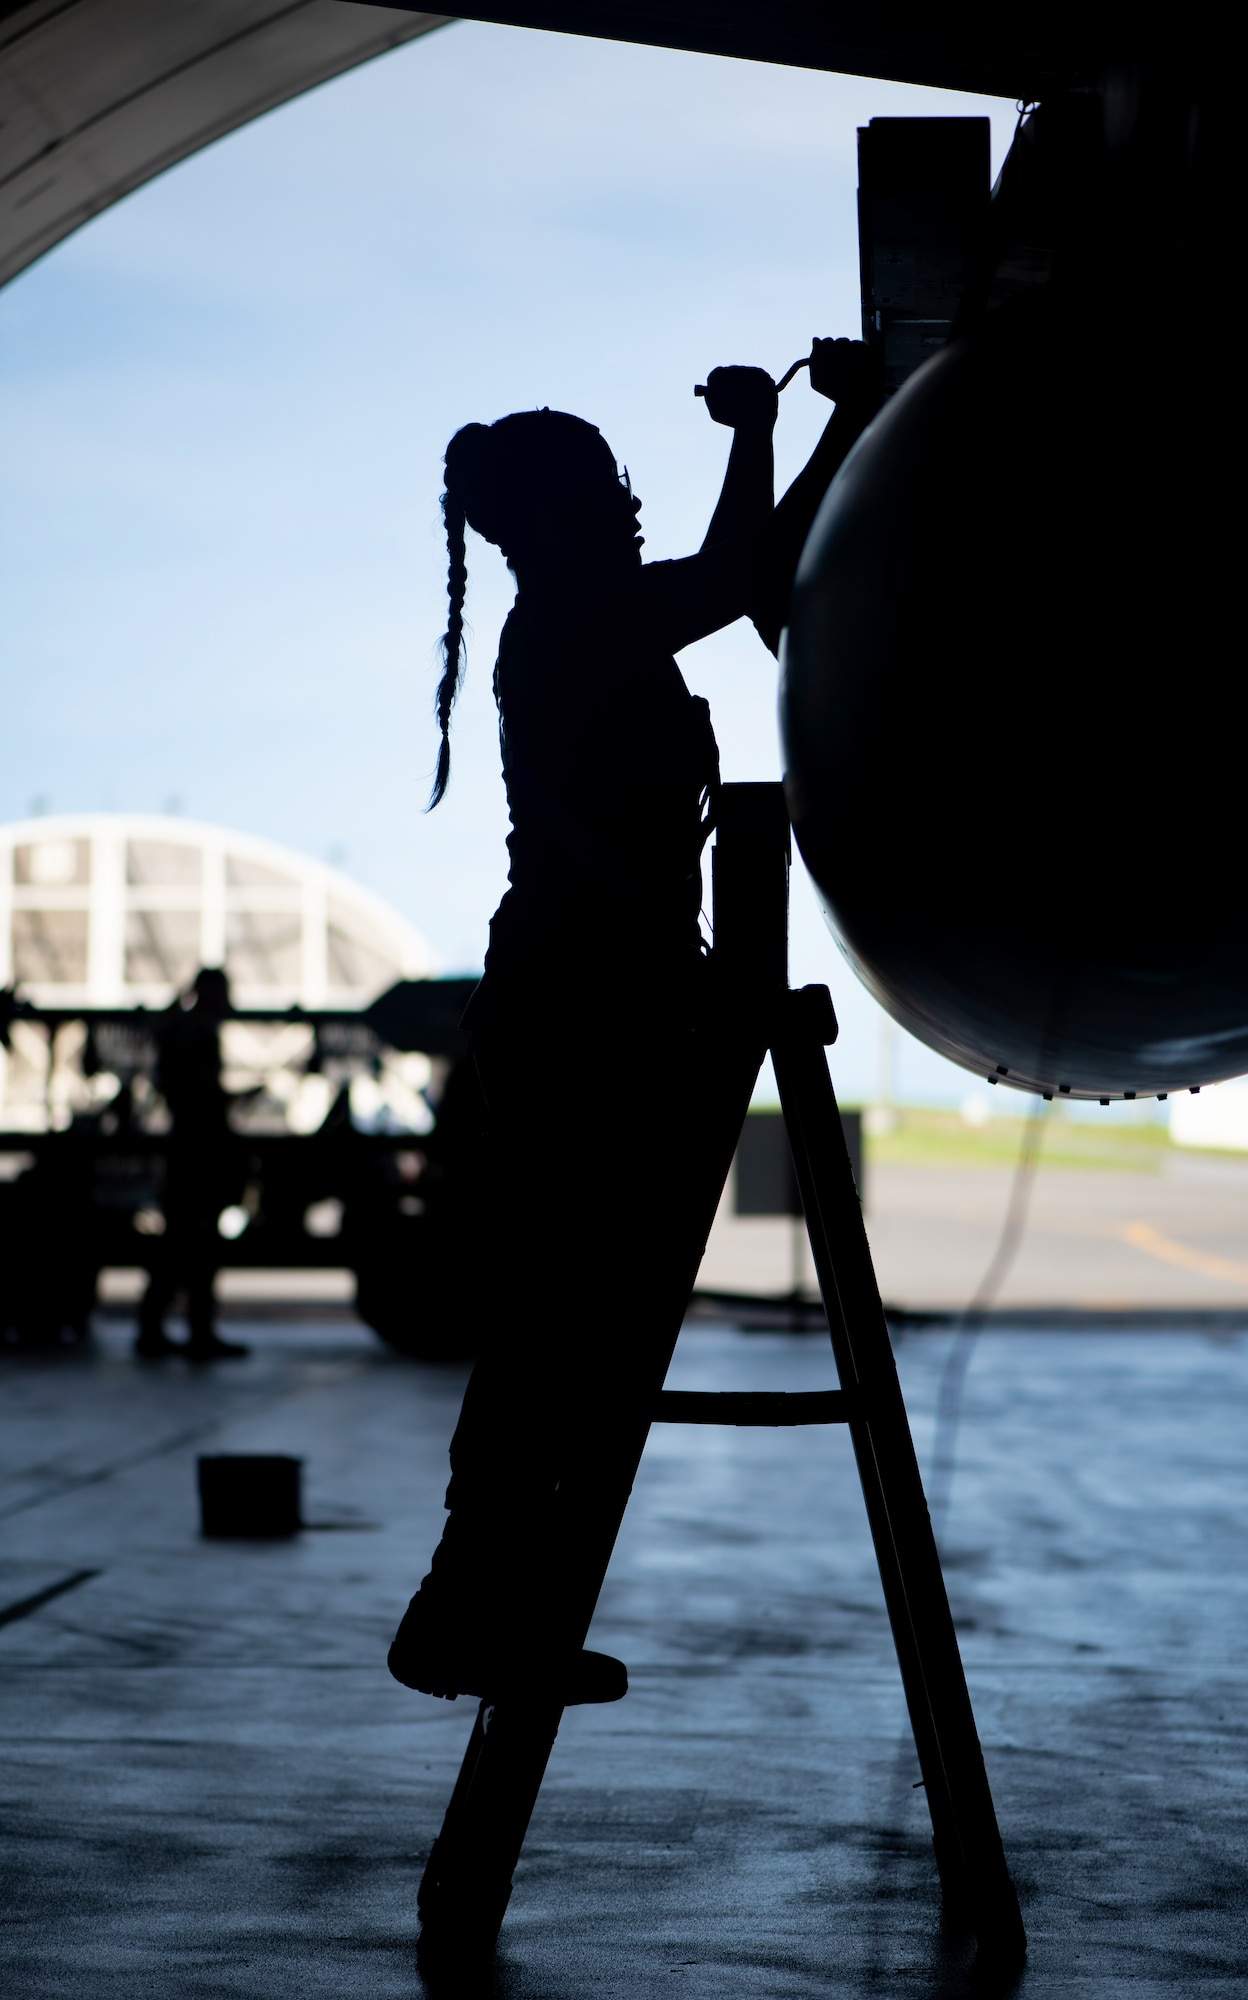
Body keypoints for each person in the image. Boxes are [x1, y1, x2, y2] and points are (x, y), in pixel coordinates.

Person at [388, 340, 881, 1706]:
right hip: (588, 998)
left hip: (587, 990)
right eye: (600, 481)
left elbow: (750, 569)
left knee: (572, 1311)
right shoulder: (579, 621)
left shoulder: (580, 618)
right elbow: (738, 579)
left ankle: (486, 1604)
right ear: (549, 517)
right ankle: (461, 1608)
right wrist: (766, 430)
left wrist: (815, 426)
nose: (622, 496)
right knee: (562, 1313)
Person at [136, 967, 250, 1361]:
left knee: (176, 1245)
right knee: (197, 1247)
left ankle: (155, 1328)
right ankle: (196, 1332)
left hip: (184, 1151)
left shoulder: (177, 1032)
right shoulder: (199, 1036)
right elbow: (204, 1092)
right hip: (199, 1154)